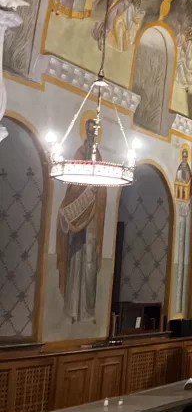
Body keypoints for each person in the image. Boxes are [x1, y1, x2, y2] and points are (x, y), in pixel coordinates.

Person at [56, 119, 106, 324]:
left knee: (90, 266)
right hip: (78, 224)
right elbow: (73, 187)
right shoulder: (79, 152)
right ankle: (72, 310)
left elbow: (102, 189)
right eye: (90, 130)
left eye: (95, 131)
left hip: (92, 223)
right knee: (76, 264)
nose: (93, 134)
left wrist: (95, 194)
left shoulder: (100, 158)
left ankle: (88, 311)